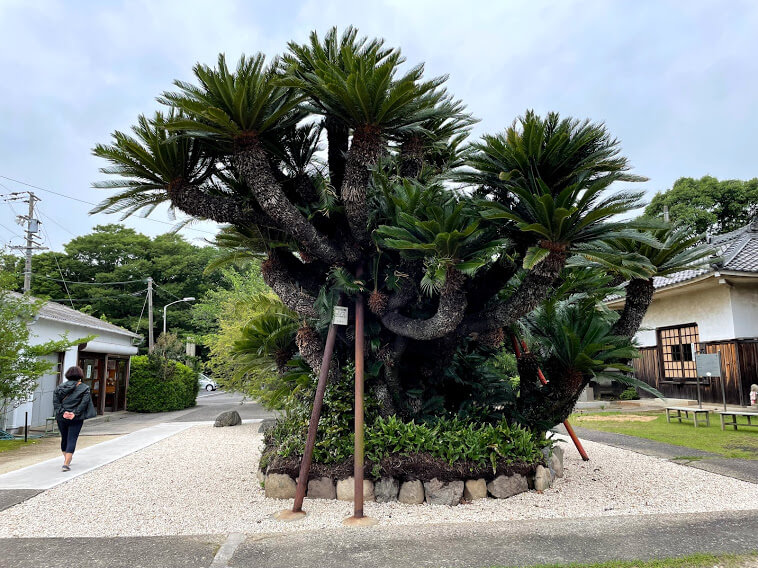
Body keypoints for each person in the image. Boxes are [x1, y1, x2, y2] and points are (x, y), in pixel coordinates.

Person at [53, 366, 96, 472]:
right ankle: (66, 463)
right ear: (80, 375)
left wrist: (63, 412)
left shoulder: (59, 387)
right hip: (76, 418)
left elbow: (56, 403)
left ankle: (66, 460)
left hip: (61, 417)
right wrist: (74, 413)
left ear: (67, 375)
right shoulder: (84, 388)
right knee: (72, 438)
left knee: (64, 437)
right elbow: (84, 403)